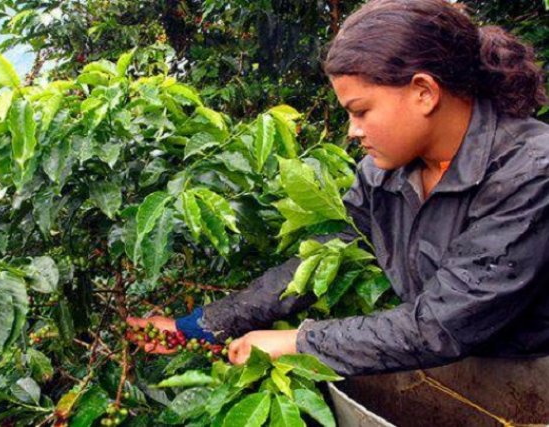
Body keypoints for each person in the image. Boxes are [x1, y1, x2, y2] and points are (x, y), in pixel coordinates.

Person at [127, 0, 549, 377]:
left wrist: (299, 341)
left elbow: (442, 323)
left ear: (423, 92)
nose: (352, 130)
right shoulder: (384, 175)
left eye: (361, 111)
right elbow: (325, 253)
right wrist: (201, 326)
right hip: (468, 376)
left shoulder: (531, 170)